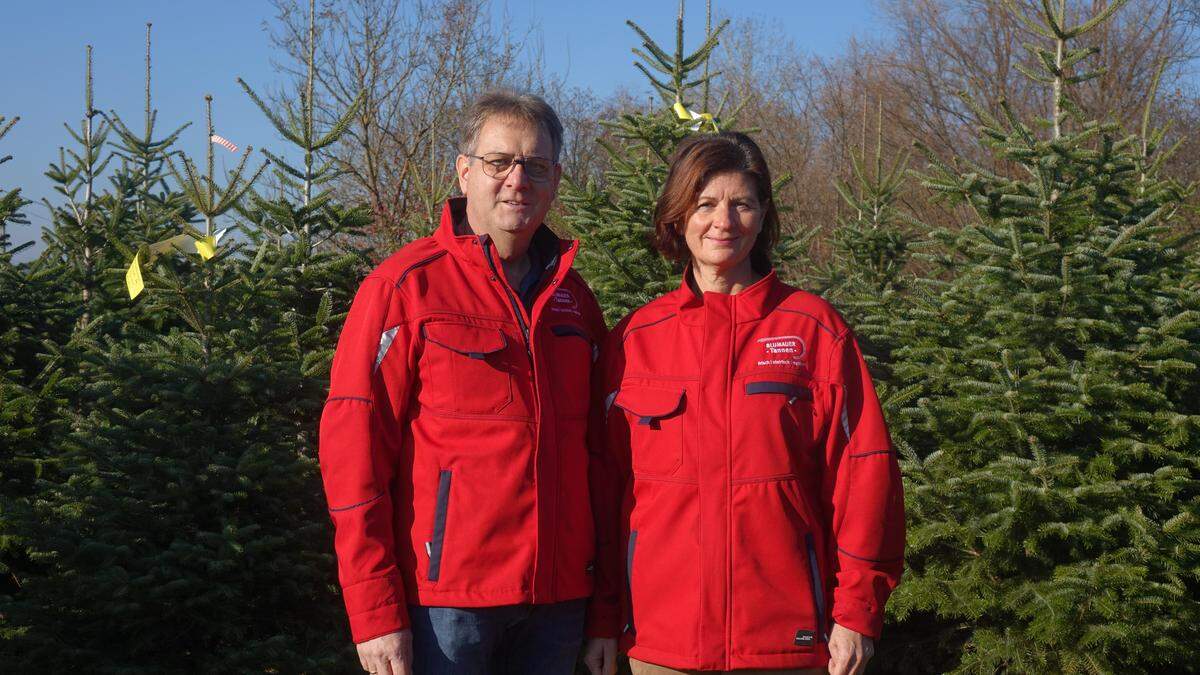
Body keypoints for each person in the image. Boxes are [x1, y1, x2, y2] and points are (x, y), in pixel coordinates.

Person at [582, 132, 905, 675]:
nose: (723, 222)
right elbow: (604, 491)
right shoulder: (636, 339)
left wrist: (857, 614)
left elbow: (864, 476)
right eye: (705, 204)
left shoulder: (813, 330)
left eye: (742, 204)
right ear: (677, 215)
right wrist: (601, 619)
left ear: (763, 216)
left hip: (787, 642)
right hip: (660, 646)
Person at [319, 90, 606, 675]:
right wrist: (374, 610)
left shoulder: (574, 303)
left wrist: (601, 610)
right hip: (447, 606)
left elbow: (600, 460)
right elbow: (354, 452)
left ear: (555, 180)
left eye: (536, 166)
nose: (517, 180)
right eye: (500, 161)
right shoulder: (405, 289)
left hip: (557, 603)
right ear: (464, 171)